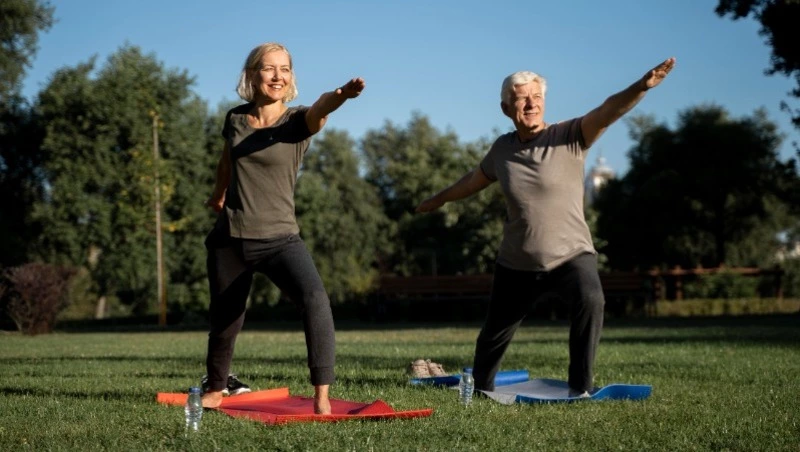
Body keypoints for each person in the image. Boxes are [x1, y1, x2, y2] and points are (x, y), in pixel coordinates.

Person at [416, 58, 675, 396]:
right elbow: (473, 181)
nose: (531, 103)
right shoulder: (503, 149)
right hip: (517, 262)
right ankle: (480, 386)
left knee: (591, 299)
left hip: (572, 254)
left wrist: (640, 87)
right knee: (494, 333)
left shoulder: (570, 135)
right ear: (506, 107)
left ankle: (580, 388)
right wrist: (441, 198)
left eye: (537, 96)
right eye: (522, 98)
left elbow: (609, 110)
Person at [202, 42, 365, 413]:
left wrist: (342, 94)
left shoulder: (297, 122)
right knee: (226, 319)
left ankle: (322, 396)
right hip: (231, 238)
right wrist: (218, 194)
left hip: (279, 239)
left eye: (285, 69)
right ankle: (215, 387)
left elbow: (322, 107)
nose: (278, 76)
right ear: (252, 74)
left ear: (291, 78)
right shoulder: (235, 119)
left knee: (315, 301)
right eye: (269, 68)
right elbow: (227, 158)